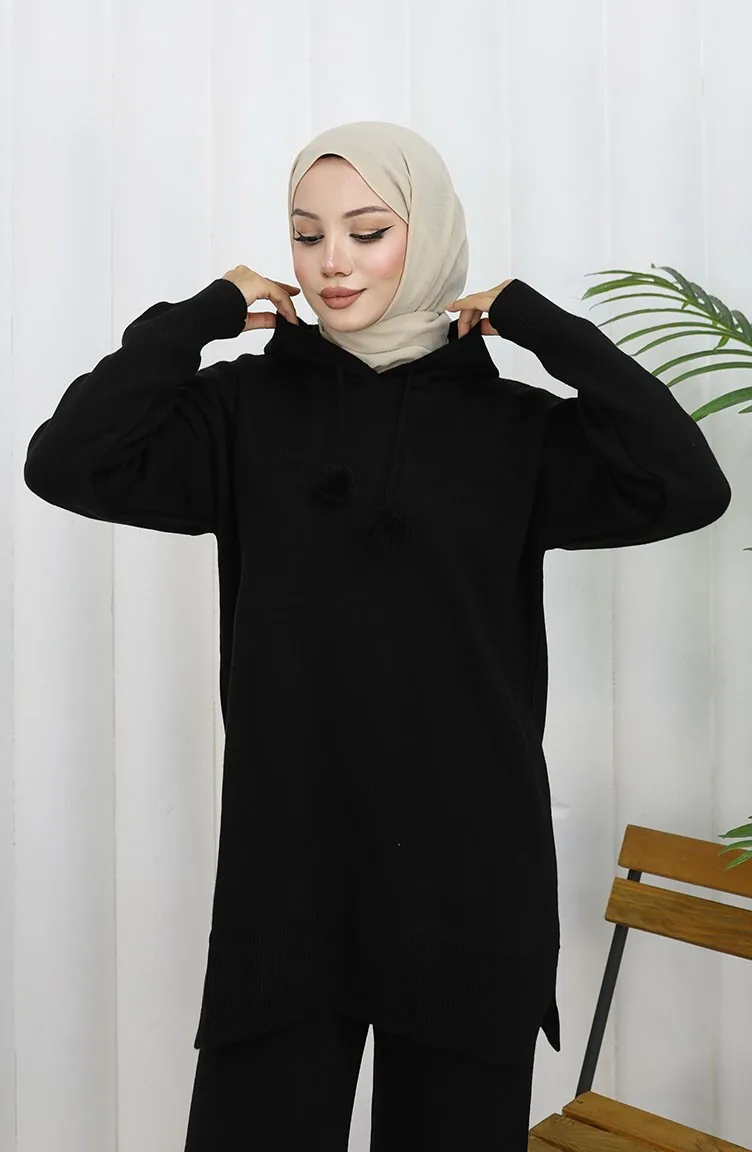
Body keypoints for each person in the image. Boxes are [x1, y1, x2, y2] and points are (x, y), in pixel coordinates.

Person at [23, 121, 732, 1150]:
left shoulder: (514, 429)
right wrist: (202, 315)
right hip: (289, 868)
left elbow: (687, 484)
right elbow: (66, 461)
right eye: (307, 235)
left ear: (427, 234)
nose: (333, 263)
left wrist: (544, 327)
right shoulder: (241, 411)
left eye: (367, 231)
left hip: (467, 874)